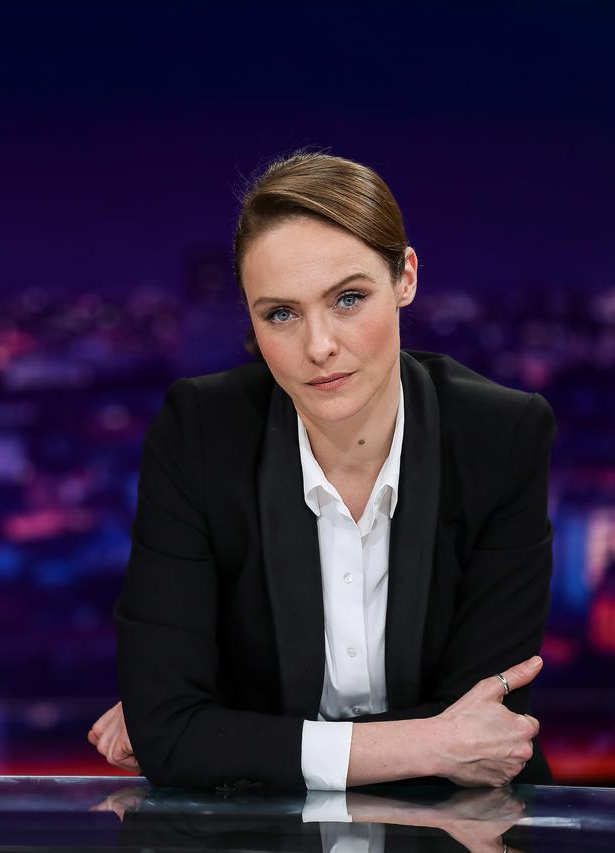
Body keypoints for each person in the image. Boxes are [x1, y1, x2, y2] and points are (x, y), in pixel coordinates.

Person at [88, 151, 556, 790]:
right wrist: (427, 743)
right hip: (259, 832)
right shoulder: (200, 432)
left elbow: (486, 735)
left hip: (469, 826)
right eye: (281, 314)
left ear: (406, 278)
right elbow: (171, 731)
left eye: (349, 299)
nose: (318, 346)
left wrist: (234, 733)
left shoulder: (500, 435)